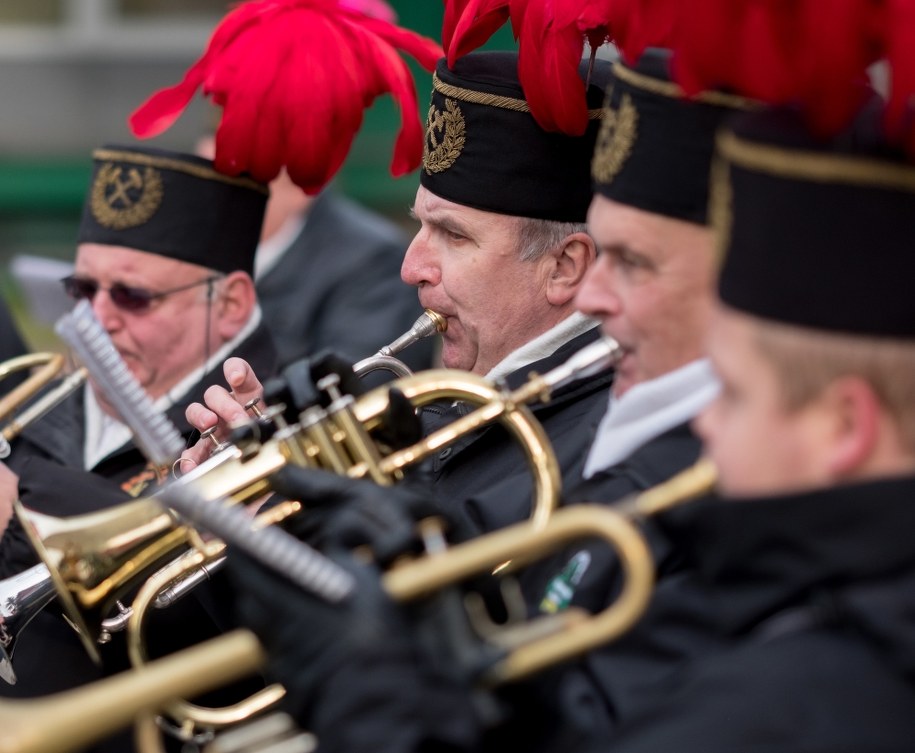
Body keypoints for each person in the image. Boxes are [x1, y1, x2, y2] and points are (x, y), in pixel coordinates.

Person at [224, 100, 915, 753]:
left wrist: (375, 694)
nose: (592, 294)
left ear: (844, 424)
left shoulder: (817, 677)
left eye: (730, 392)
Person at [182, 51, 617, 531]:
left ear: (563, 268)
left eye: (454, 235)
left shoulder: (598, 444)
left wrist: (281, 515)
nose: (411, 269)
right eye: (421, 226)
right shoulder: (457, 400)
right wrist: (261, 473)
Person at [0, 144, 278, 753]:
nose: (95, 318)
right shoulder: (32, 397)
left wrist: (23, 502)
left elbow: (223, 633)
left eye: (132, 296)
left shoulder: (271, 424)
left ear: (230, 304)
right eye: (81, 288)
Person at [196, 133, 434, 373]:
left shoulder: (372, 263)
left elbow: (354, 382)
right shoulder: (199, 255)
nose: (207, 201)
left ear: (297, 188)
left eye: (230, 185)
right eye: (198, 184)